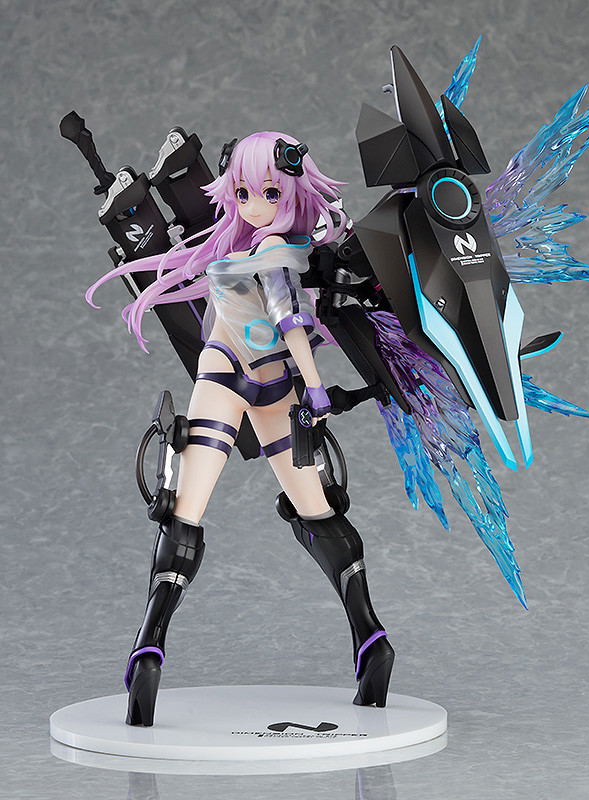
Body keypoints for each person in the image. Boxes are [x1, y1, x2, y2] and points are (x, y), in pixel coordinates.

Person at [86, 131, 394, 726]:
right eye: (245, 192)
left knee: (185, 513)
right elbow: (294, 318)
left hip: (225, 373)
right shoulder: (280, 245)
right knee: (316, 511)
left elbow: (292, 317)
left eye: (270, 193)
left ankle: (149, 648)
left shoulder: (267, 248)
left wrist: (317, 383)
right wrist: (317, 386)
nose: (254, 205)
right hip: (271, 380)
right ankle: (371, 638)